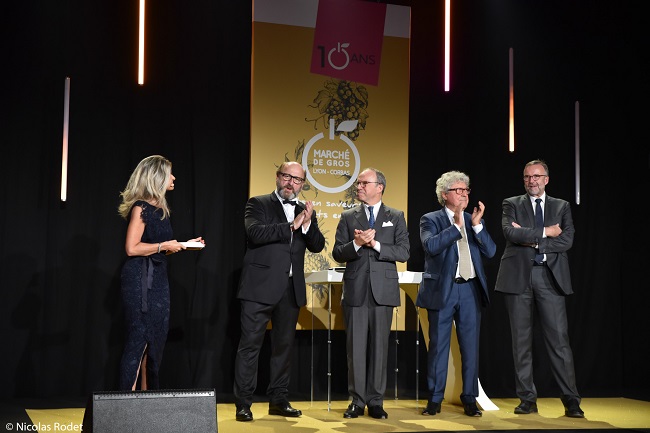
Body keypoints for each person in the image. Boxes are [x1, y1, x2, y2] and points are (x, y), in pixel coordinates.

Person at [233, 161, 325, 422]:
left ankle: (278, 400)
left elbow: (317, 246)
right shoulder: (258, 203)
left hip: (290, 289)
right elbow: (255, 233)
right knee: (250, 347)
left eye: (297, 180)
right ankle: (243, 404)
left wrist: (307, 225)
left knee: (282, 349)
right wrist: (292, 226)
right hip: (258, 288)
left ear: (302, 184)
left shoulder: (304, 211)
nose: (290, 183)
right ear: (278, 177)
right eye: (287, 177)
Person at [495, 159, 584, 418]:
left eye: (536, 176)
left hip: (549, 277)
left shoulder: (561, 206)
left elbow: (566, 240)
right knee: (521, 342)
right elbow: (510, 234)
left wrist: (533, 241)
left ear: (546, 179)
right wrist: (546, 232)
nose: (531, 181)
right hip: (518, 278)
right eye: (527, 177)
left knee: (559, 341)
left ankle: (571, 400)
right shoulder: (511, 203)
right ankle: (527, 399)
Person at [117, 155, 205, 391]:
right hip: (139, 281)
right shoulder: (141, 208)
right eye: (169, 173)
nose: (174, 178)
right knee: (139, 339)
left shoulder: (160, 209)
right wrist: (164, 246)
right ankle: (126, 401)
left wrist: (184, 244)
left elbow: (157, 247)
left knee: (154, 342)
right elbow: (132, 248)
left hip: (157, 280)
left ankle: (147, 401)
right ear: (157, 177)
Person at [416, 171, 496, 417]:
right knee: (438, 346)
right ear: (445, 195)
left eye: (466, 190)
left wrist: (477, 226)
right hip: (443, 290)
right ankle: (435, 398)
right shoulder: (430, 219)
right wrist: (456, 227)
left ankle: (470, 398)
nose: (464, 194)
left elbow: (491, 251)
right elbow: (430, 246)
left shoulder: (473, 220)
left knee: (470, 347)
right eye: (459, 190)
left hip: (469, 290)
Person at [332, 167, 410, 420]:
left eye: (364, 183)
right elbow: (337, 252)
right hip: (356, 289)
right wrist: (357, 243)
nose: (359, 187)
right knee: (355, 348)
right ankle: (356, 401)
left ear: (380, 187)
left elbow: (403, 253)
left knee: (379, 348)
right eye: (358, 183)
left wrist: (374, 244)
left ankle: (376, 401)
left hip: (383, 291)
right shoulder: (348, 216)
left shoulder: (395, 216)